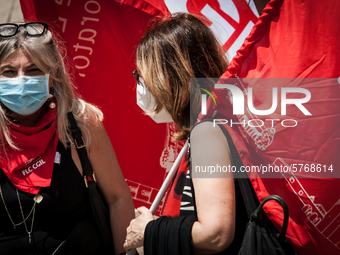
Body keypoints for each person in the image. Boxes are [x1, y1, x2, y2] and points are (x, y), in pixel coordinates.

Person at [0, 22, 135, 255]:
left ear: (52, 76)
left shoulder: (81, 122)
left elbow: (117, 198)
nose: (21, 81)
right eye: (8, 72)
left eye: (34, 70)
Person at [124, 13, 249, 255]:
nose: (139, 85)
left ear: (169, 76)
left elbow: (216, 233)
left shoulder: (207, 132)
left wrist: (150, 231)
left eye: (141, 75)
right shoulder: (216, 123)